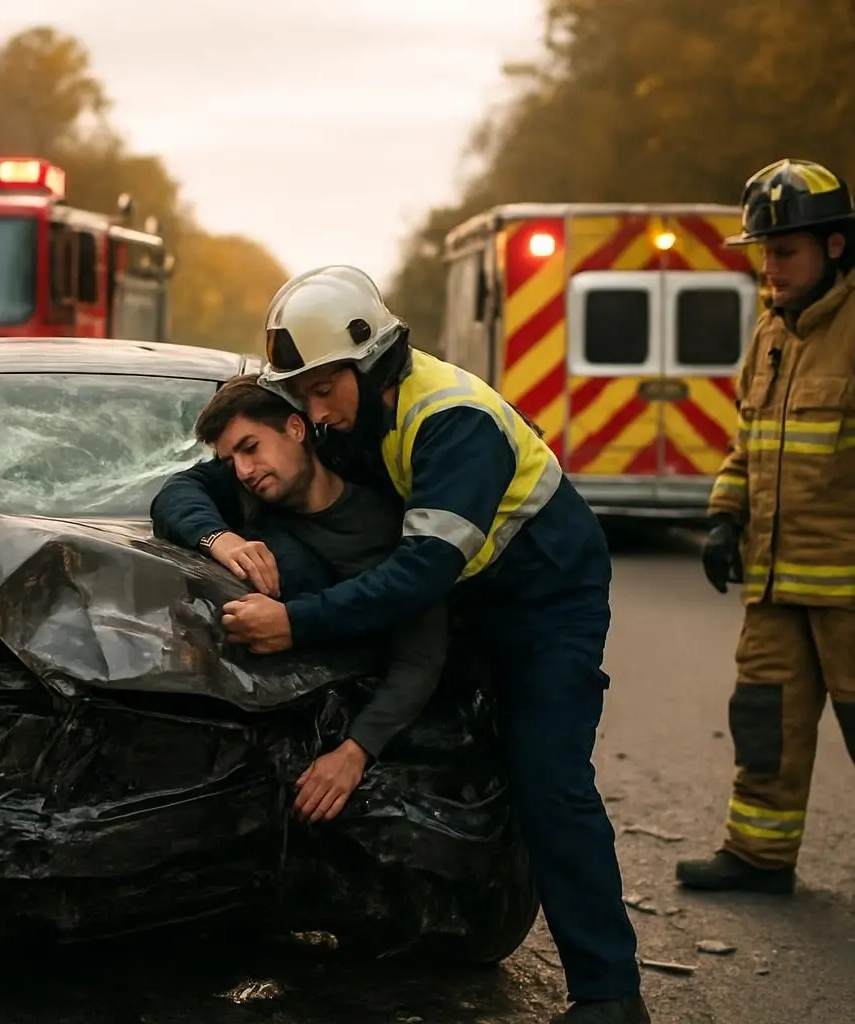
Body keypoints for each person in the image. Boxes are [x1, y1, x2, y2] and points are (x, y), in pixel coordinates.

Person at [211, 265, 648, 1024]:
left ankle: (608, 993)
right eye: (302, 396)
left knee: (547, 775)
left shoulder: (453, 421)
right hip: (464, 593)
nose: (313, 413)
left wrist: (297, 622)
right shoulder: (344, 417)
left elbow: (419, 574)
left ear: (369, 360)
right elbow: (195, 484)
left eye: (322, 390)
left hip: (544, 600)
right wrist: (213, 532)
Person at [151, 374, 450, 822]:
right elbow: (175, 493)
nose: (244, 471)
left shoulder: (382, 528)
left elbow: (419, 657)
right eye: (230, 460)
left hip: (337, 734)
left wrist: (355, 752)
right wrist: (219, 539)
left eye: (250, 448)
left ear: (296, 428)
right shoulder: (245, 494)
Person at [675, 158, 855, 895]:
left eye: (784, 252)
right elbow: (746, 442)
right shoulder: (769, 336)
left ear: (834, 247)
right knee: (763, 723)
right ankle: (758, 855)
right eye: (764, 254)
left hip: (848, 588)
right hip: (774, 584)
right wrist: (724, 514)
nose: (770, 268)